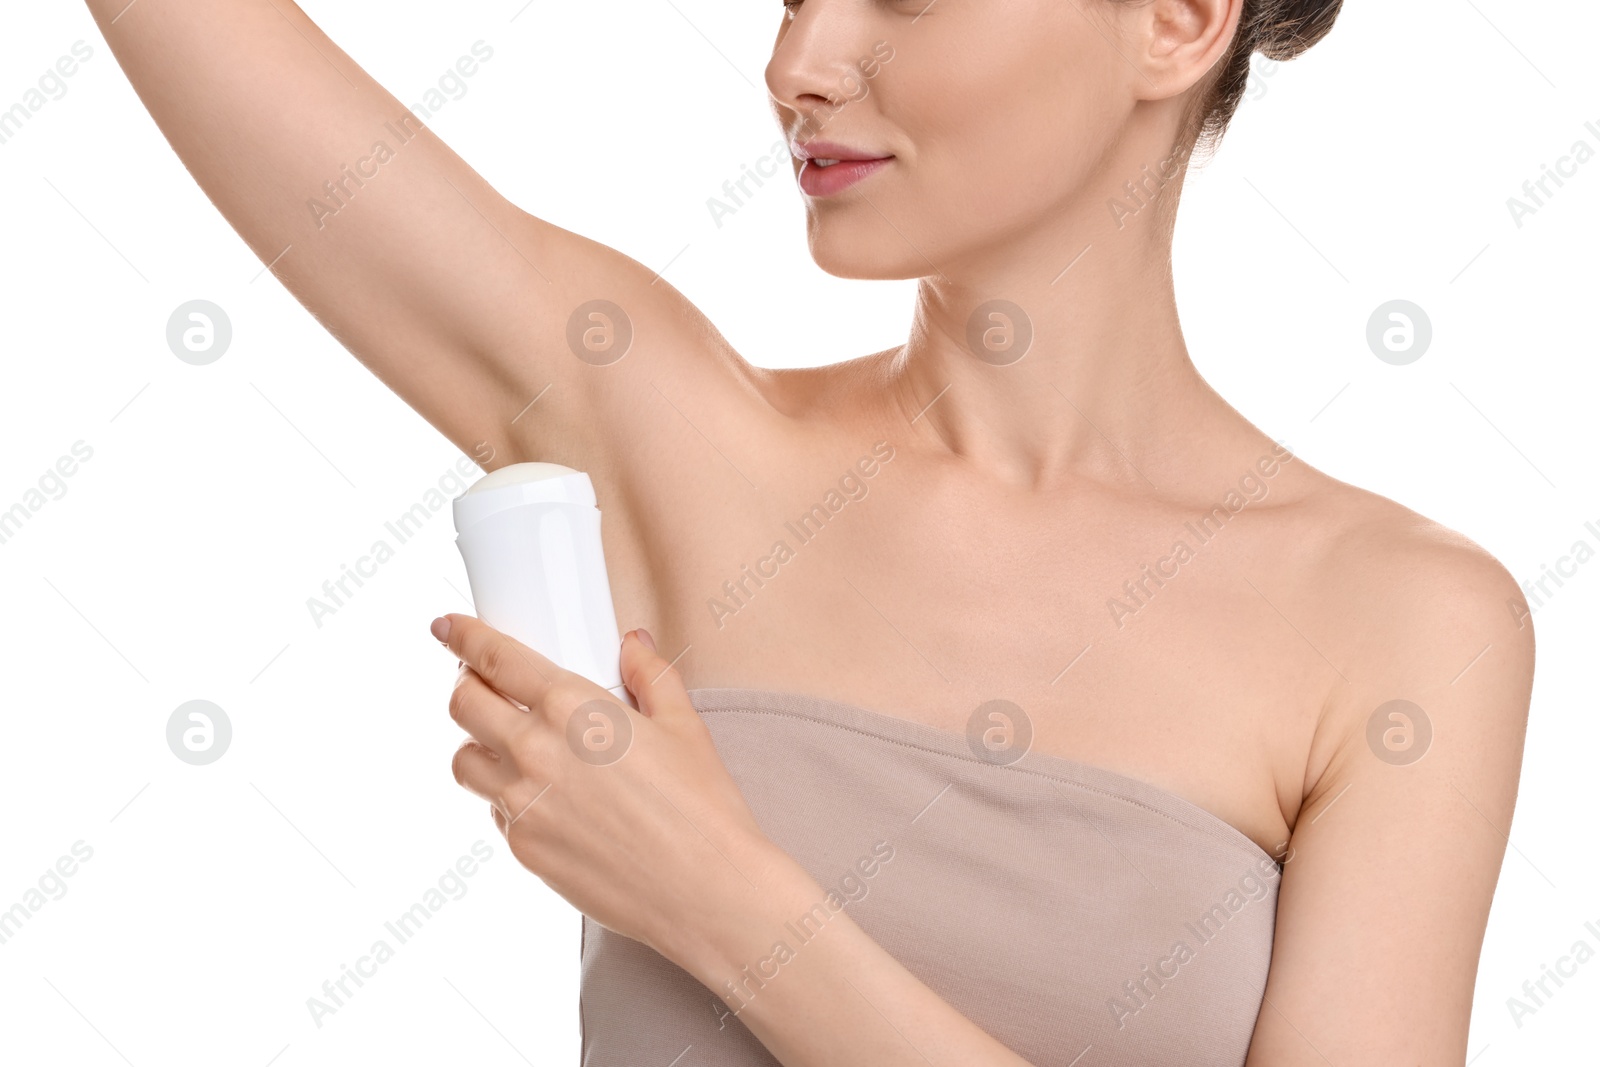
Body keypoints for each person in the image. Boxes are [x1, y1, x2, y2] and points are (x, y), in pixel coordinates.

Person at [86, 0, 1533, 1063]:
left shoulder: (1398, 622)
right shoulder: (668, 446)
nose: (799, 64)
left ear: (1175, 22)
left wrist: (733, 910)